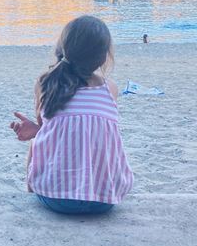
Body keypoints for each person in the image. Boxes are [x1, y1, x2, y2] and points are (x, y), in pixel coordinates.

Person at [9, 15, 133, 214]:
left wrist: (36, 132)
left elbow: (51, 128)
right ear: (103, 57)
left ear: (63, 48)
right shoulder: (110, 89)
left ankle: (31, 190)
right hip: (104, 200)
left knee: (36, 142)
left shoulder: (46, 83)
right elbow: (85, 127)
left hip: (54, 198)